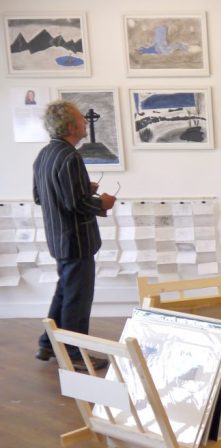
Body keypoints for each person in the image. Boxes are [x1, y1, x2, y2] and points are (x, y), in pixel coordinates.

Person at [33, 100, 117, 368]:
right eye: (81, 119)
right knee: (77, 298)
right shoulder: (70, 157)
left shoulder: (45, 154)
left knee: (65, 291)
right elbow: (76, 204)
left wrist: (82, 187)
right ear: (71, 126)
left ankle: (48, 344)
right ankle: (75, 353)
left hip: (58, 237)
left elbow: (40, 197)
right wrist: (101, 203)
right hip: (76, 240)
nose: (85, 122)